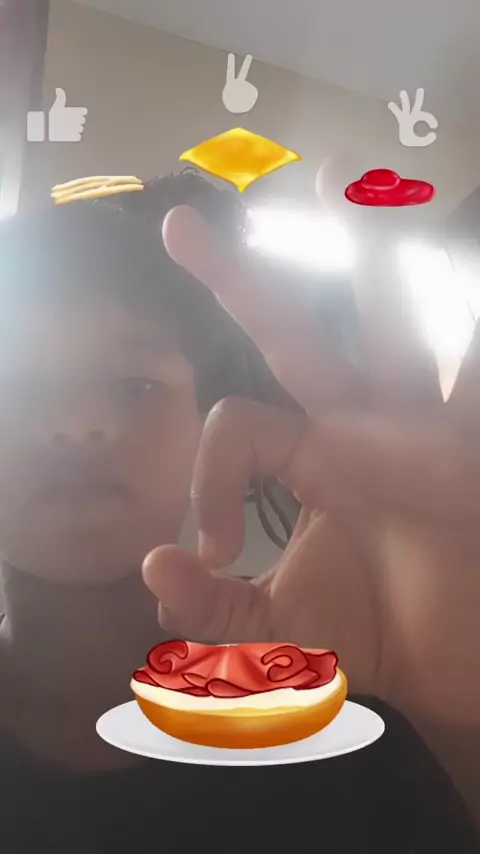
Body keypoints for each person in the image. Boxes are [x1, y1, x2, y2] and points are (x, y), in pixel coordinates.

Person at [0, 170, 477, 853]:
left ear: (208, 424)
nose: (75, 422)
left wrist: (453, 727)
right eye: (14, 382)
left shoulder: (333, 694)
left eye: (135, 385)